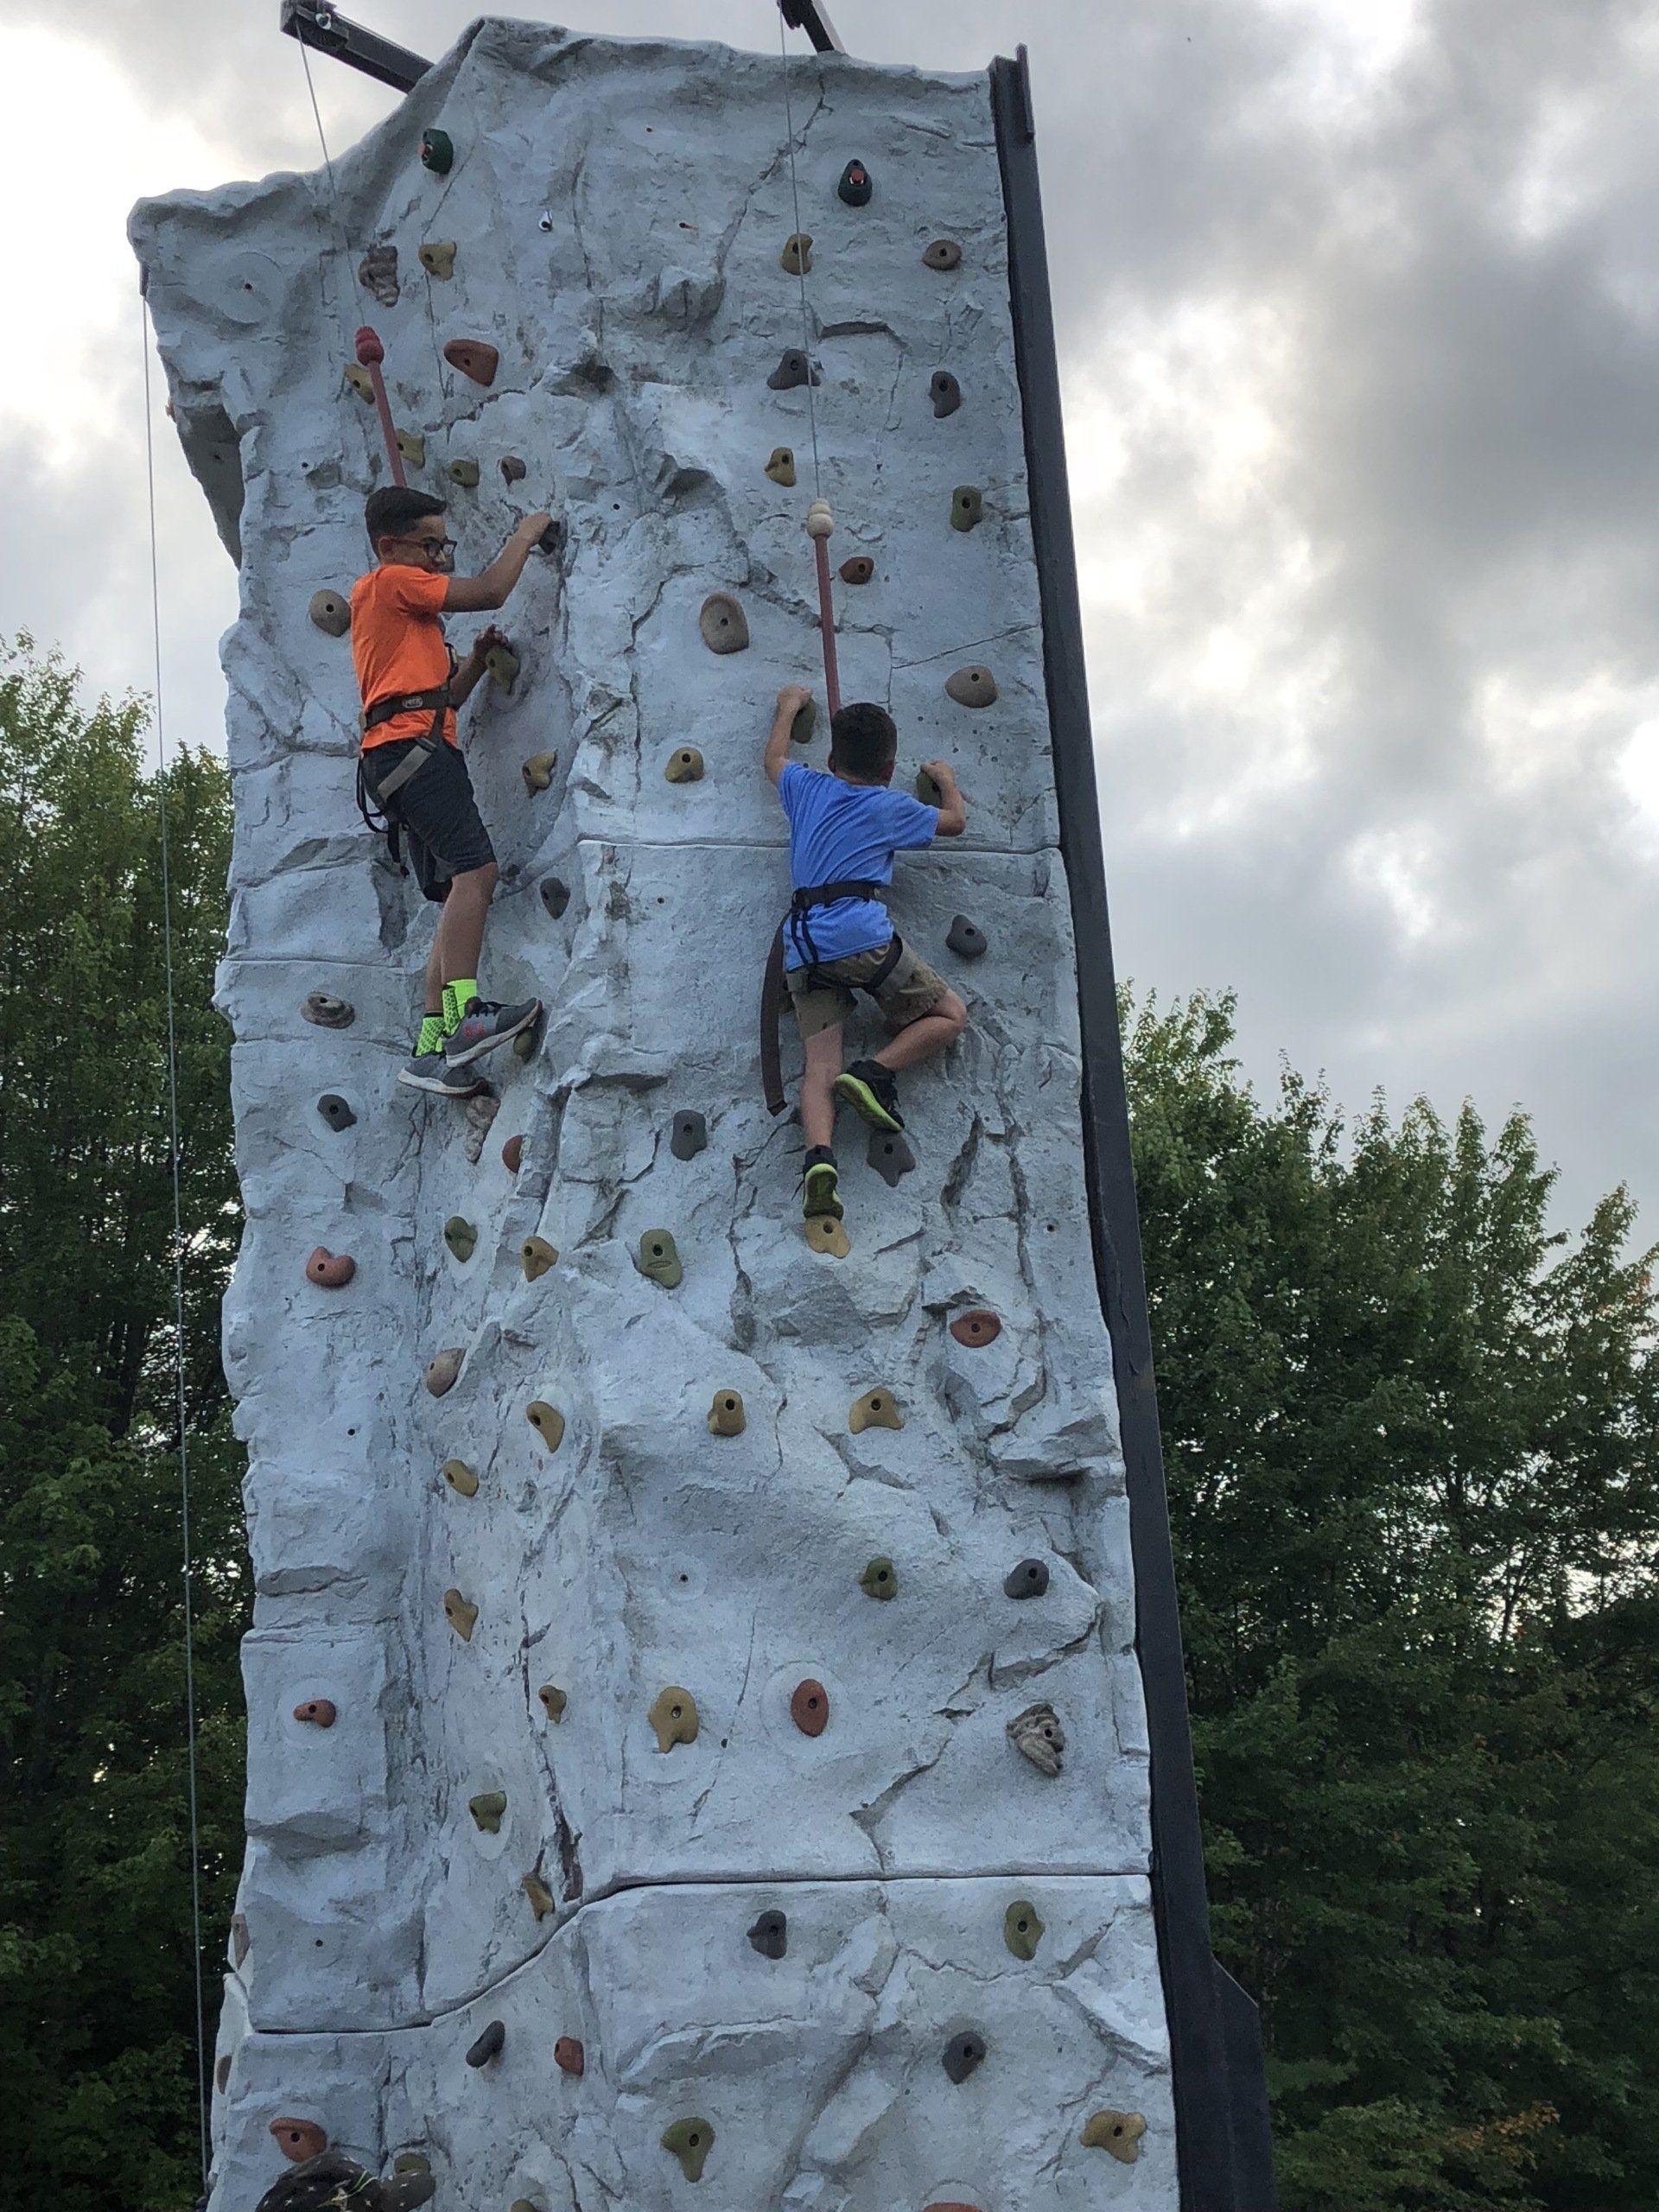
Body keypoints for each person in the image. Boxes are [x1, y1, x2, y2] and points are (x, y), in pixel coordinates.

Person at [352, 486, 550, 1096]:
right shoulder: (390, 582)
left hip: (406, 753)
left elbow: (445, 700)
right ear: (392, 546)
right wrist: (526, 532)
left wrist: (473, 663)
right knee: (478, 873)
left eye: (445, 545)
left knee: (457, 892)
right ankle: (466, 1015)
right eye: (430, 545)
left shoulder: (402, 618)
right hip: (415, 753)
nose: (441, 558)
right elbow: (490, 590)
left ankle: (432, 1043)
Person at [766, 687, 969, 1220]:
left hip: (802, 948)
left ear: (831, 761)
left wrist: (788, 708)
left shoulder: (806, 788)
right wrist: (946, 781)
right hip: (860, 937)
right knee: (950, 1014)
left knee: (818, 1067)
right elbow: (953, 822)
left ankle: (819, 1162)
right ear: (890, 768)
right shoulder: (889, 806)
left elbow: (776, 760)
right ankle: (874, 1074)